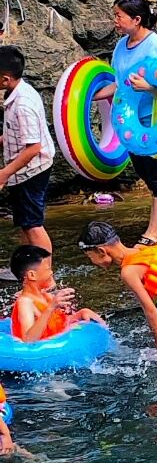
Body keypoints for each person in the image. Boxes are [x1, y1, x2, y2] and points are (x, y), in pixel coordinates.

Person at [77, 221, 157, 365]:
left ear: (102, 251)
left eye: (91, 257)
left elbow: (151, 310)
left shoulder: (128, 271)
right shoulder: (141, 249)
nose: (93, 262)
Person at [111, 0, 157, 244]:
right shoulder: (121, 45)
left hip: (156, 119)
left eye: (119, 16)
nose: (115, 21)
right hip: (130, 120)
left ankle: (152, 233)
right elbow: (120, 83)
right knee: (146, 172)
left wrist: (149, 88)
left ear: (137, 19)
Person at [0, 46, 55, 250]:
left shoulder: (23, 104)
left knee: (33, 225)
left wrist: (4, 173)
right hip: (22, 170)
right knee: (24, 222)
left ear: (6, 79)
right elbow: (18, 131)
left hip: (31, 170)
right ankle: (25, 266)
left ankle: (45, 274)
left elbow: (33, 147)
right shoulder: (16, 91)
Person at [9, 244, 101, 343]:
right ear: (32, 275)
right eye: (48, 269)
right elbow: (28, 340)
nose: (51, 272)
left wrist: (79, 314)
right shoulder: (25, 302)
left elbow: (58, 324)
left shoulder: (46, 296)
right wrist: (51, 307)